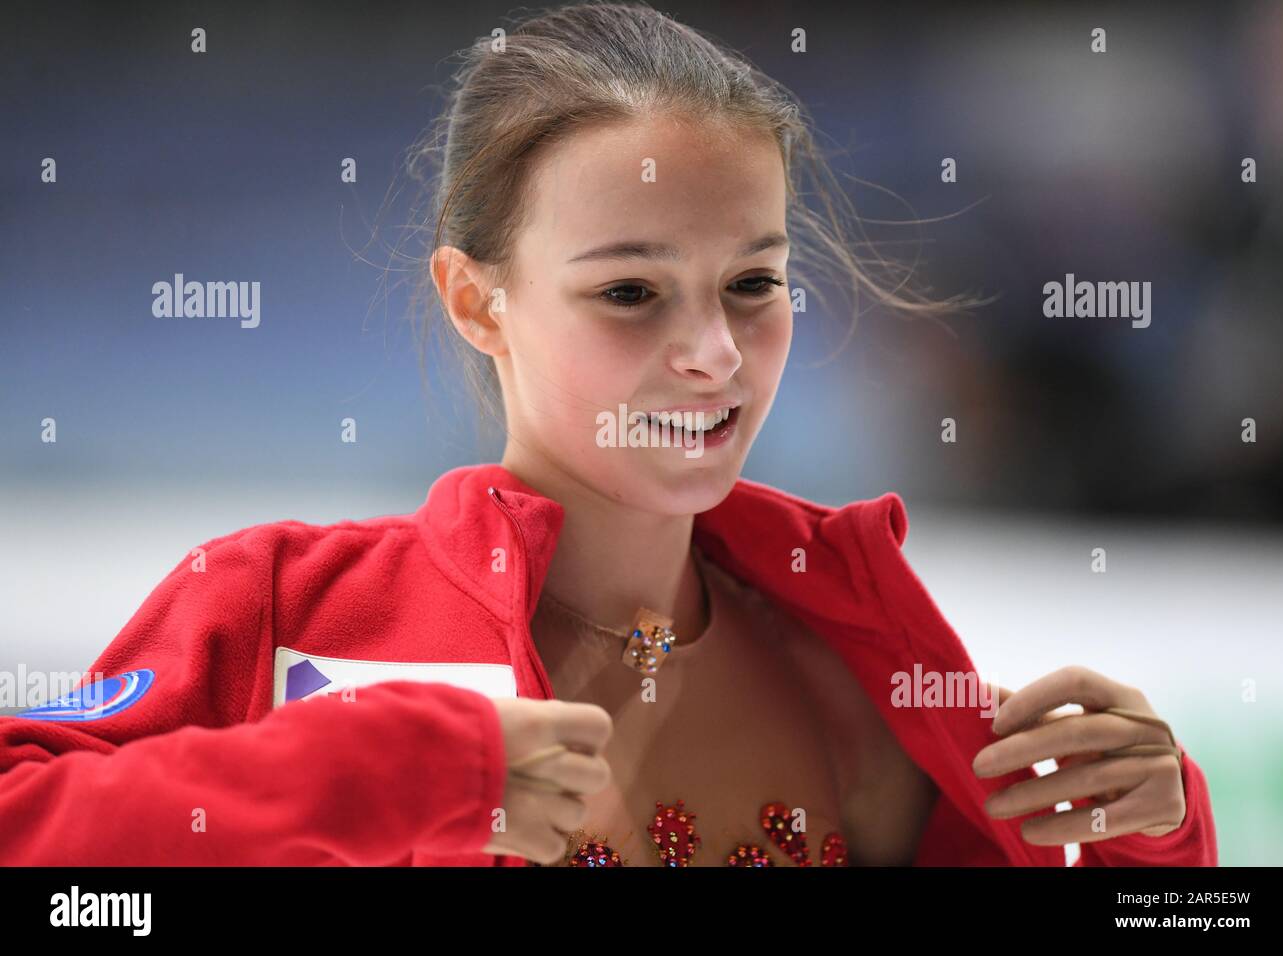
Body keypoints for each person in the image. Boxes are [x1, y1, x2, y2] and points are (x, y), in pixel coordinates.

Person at [0, 1, 1215, 867]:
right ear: (476, 300)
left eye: (752, 282)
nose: (714, 353)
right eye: (631, 292)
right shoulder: (274, 608)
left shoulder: (874, 677)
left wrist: (1161, 838)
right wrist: (368, 773)